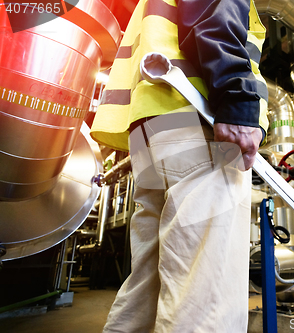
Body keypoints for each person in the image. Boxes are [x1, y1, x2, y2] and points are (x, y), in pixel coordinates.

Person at [90, 0, 269, 331]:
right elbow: (214, 16)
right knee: (204, 293)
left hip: (156, 123)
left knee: (146, 284)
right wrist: (238, 99)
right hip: (199, 119)